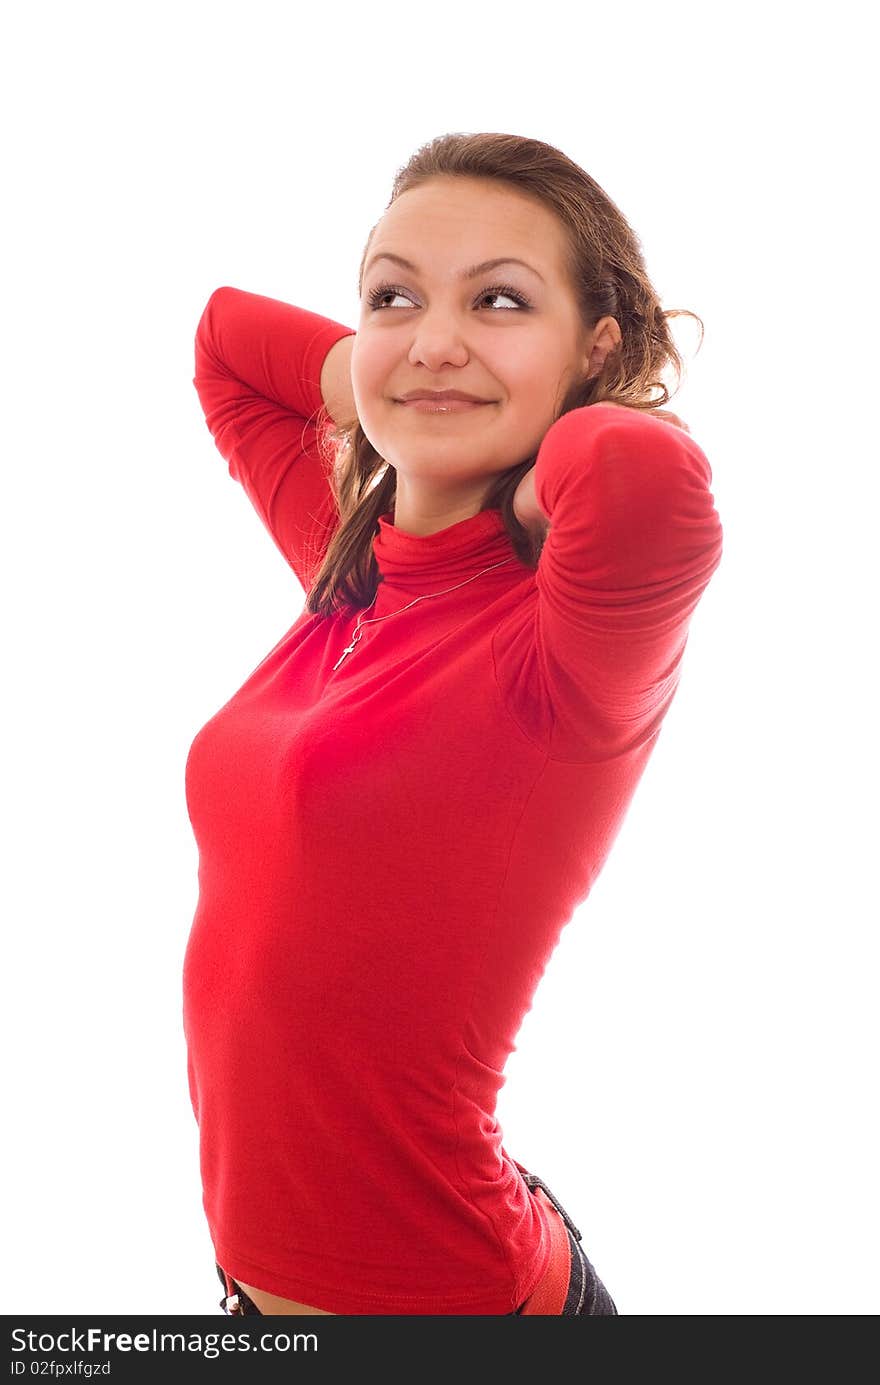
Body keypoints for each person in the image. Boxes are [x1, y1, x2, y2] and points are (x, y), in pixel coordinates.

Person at [182, 131, 723, 1316]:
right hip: (260, 1291)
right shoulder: (354, 572)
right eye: (393, 293)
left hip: (452, 1301)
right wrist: (410, 388)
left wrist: (512, 453)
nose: (435, 336)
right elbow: (226, 341)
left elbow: (640, 476)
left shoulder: (562, 649)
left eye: (499, 299)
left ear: (598, 348)